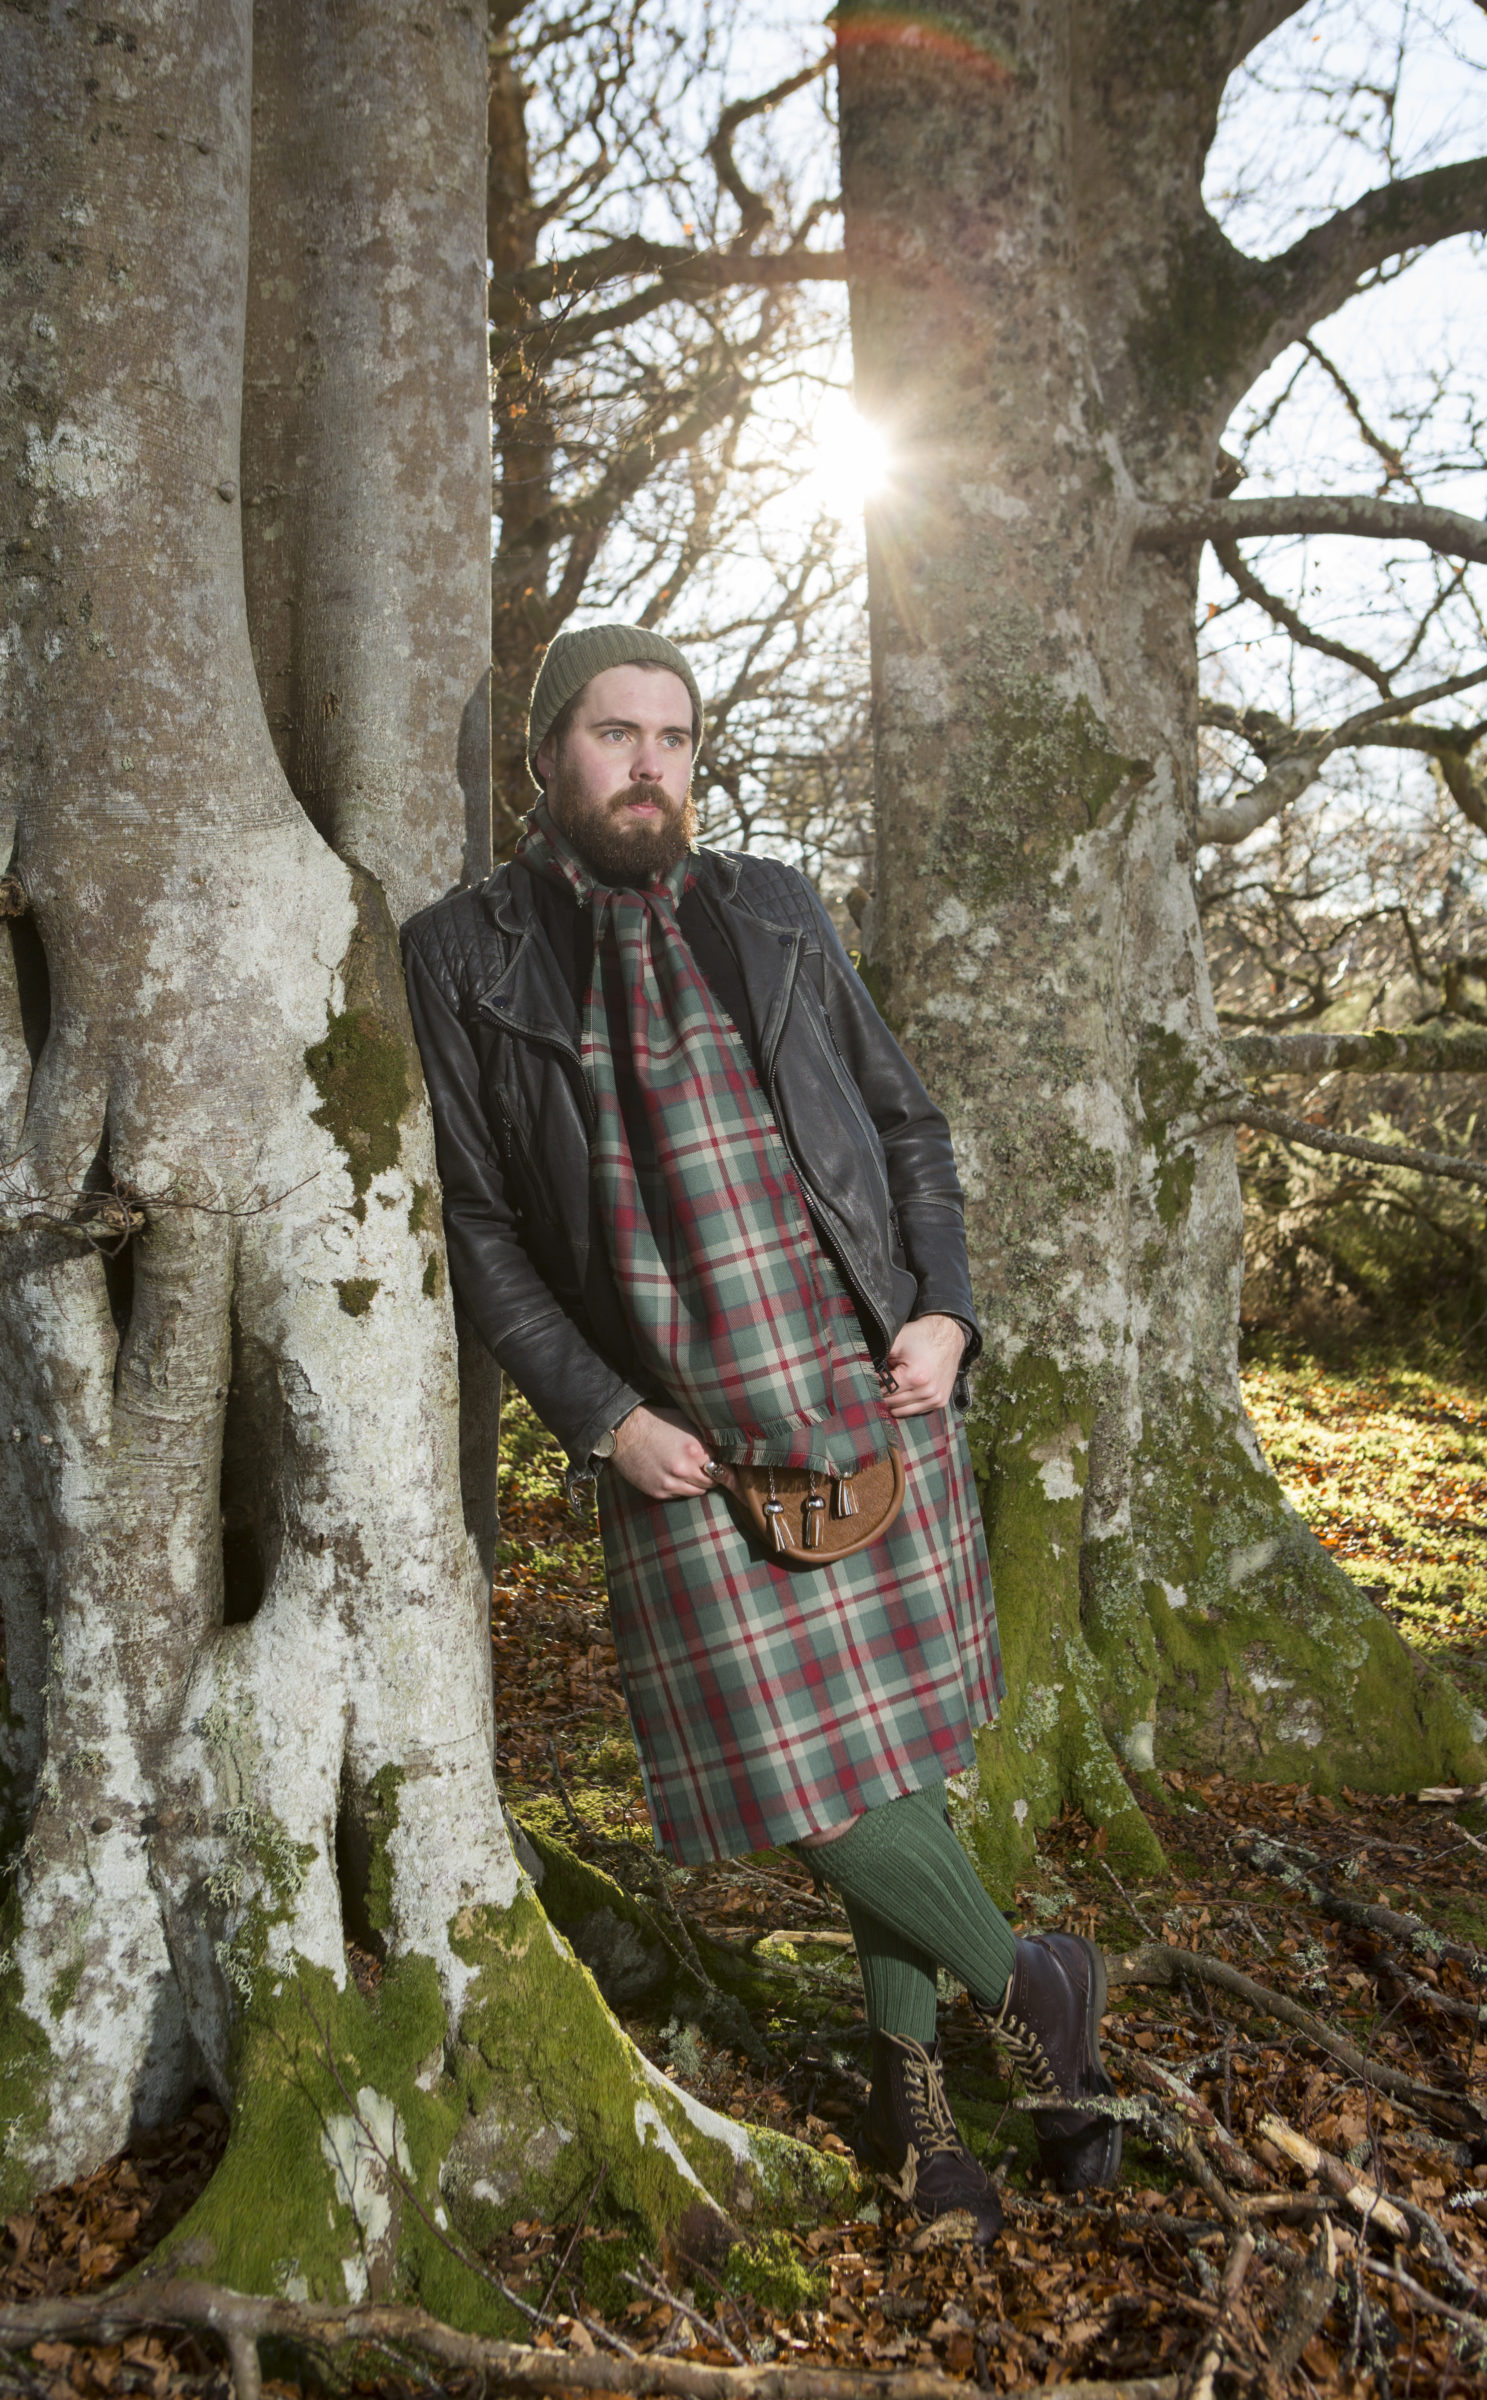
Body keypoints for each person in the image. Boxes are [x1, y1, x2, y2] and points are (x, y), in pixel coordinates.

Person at [402, 623, 1119, 2240]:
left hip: (864, 1390)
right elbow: (482, 1227)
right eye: (615, 733)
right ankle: (1034, 1984)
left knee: (888, 1765)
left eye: (674, 736)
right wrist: (601, 1417)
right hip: (684, 1445)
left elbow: (905, 1123)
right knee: (805, 1787)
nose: (648, 764)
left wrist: (944, 1311)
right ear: (547, 756)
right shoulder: (463, 955)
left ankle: (917, 2113)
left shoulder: (774, 910)